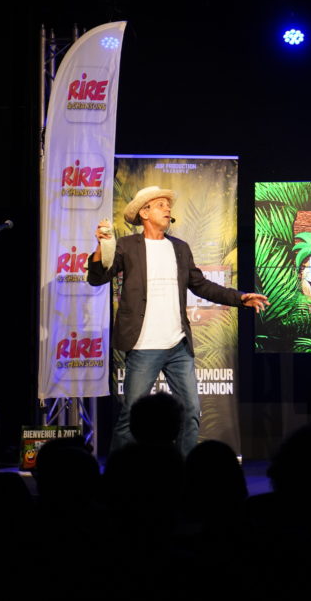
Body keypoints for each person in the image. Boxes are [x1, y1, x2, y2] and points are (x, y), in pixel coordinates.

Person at [88, 185, 268, 457]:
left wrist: (240, 298)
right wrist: (101, 247)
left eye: (167, 205)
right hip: (144, 346)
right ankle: (119, 472)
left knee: (190, 411)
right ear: (144, 213)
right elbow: (97, 277)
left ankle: (184, 472)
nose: (167, 208)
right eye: (160, 204)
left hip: (178, 346)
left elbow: (202, 285)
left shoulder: (180, 248)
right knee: (131, 416)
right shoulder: (127, 246)